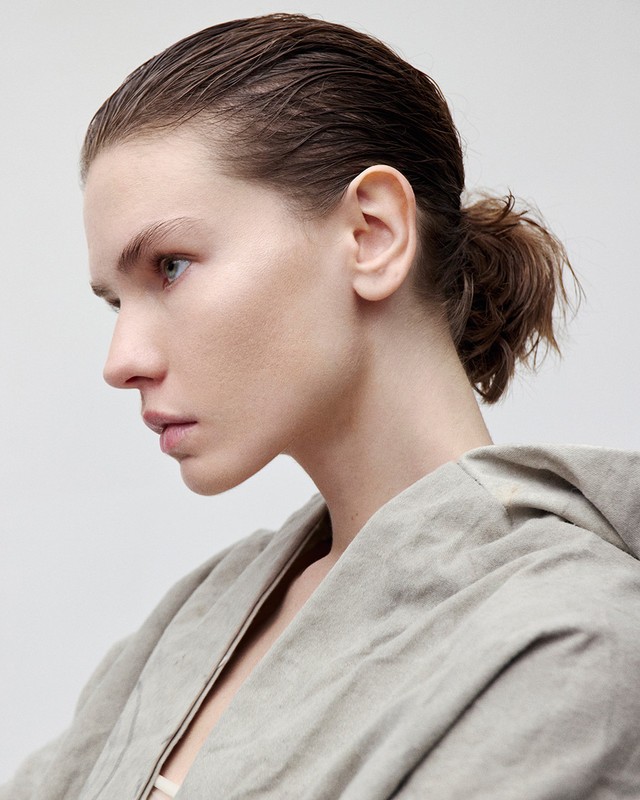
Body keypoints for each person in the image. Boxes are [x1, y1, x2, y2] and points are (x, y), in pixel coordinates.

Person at [3, 12, 640, 800]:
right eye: (114, 301)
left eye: (170, 266)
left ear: (373, 234)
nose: (121, 361)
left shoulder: (566, 643)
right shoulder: (192, 623)